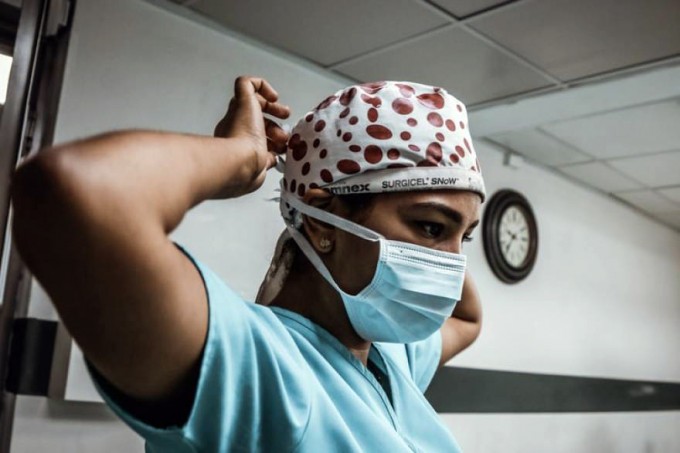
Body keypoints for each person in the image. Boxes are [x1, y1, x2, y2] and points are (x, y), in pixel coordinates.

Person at [10, 76, 484, 452]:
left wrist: (448, 217)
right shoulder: (256, 368)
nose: (453, 266)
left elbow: (467, 318)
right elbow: (77, 192)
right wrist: (243, 156)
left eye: (465, 236)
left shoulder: (388, 357)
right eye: (429, 227)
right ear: (324, 224)